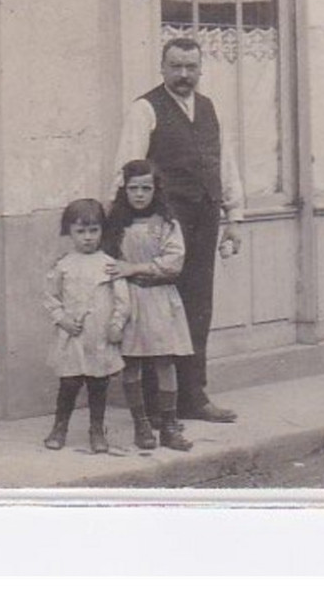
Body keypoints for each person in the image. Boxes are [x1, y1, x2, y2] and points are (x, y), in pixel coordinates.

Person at [112, 37, 243, 423]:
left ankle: (193, 397)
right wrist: (121, 227)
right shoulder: (144, 109)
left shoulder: (208, 108)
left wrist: (233, 218)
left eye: (191, 67)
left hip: (203, 221)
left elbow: (225, 164)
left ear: (200, 69)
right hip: (162, 227)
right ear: (162, 68)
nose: (184, 75)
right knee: (157, 312)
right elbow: (128, 168)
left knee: (197, 308)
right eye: (176, 66)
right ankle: (156, 404)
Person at [104, 159, 195, 452]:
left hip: (160, 298)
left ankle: (168, 425)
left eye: (146, 188)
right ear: (124, 190)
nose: (140, 194)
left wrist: (135, 268)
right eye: (134, 188)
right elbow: (110, 262)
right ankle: (141, 424)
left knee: (164, 360)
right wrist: (122, 274)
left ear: (156, 190)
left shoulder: (167, 224)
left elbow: (174, 263)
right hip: (129, 299)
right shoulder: (117, 224)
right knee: (132, 362)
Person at [43, 198, 131, 453]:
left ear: (102, 230)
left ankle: (97, 429)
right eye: (80, 231)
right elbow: (50, 297)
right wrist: (63, 320)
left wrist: (116, 324)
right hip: (73, 336)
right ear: (69, 232)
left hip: (100, 336)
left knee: (98, 384)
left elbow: (122, 300)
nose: (88, 237)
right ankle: (60, 427)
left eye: (93, 230)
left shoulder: (109, 263)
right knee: (69, 383)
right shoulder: (64, 265)